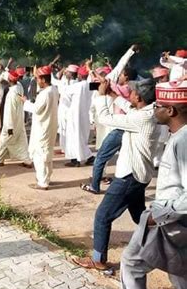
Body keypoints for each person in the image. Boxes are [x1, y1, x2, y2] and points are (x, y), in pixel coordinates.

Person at [73, 79, 157, 271]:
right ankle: (162, 247)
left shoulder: (141, 118)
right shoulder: (148, 110)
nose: (130, 93)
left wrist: (101, 96)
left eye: (133, 92)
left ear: (140, 97)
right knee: (141, 217)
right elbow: (129, 107)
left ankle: (98, 260)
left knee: (103, 216)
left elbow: (104, 118)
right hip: (139, 175)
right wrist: (112, 94)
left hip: (129, 176)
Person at [120, 80, 187, 289]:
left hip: (171, 223)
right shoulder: (177, 135)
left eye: (157, 106)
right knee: (181, 274)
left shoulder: (184, 141)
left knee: (132, 263)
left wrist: (158, 215)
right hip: (174, 221)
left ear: (171, 110)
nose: (153, 109)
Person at [82, 45, 139, 193]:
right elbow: (93, 84)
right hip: (107, 123)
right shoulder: (110, 86)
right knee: (108, 152)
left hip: (113, 124)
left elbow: (119, 65)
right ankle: (104, 176)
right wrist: (91, 71)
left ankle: (97, 182)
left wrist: (130, 51)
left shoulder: (116, 86)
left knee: (102, 154)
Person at [25, 65, 59, 190]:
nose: (37, 82)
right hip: (48, 126)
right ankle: (46, 178)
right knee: (47, 153)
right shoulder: (53, 89)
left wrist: (25, 102)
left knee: (40, 155)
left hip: (43, 128)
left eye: (38, 79)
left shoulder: (45, 93)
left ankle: (42, 182)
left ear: (43, 80)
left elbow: (36, 109)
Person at [0, 70, 32, 168]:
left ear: (9, 80)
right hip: (19, 120)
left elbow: (10, 112)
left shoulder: (12, 94)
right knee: (21, 141)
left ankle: (0, 160)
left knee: (4, 140)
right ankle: (27, 161)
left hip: (11, 123)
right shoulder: (19, 87)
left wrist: (9, 127)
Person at [64, 63, 95, 167]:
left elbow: (64, 91)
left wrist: (66, 81)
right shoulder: (90, 85)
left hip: (75, 115)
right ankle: (78, 159)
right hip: (85, 115)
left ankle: (81, 159)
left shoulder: (77, 86)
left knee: (74, 137)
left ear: (80, 76)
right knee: (80, 137)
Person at [52, 64, 78, 154]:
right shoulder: (74, 82)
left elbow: (53, 81)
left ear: (71, 74)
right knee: (68, 129)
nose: (65, 73)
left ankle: (65, 148)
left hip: (66, 110)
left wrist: (49, 68)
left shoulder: (67, 85)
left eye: (67, 72)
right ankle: (66, 148)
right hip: (71, 110)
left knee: (64, 129)